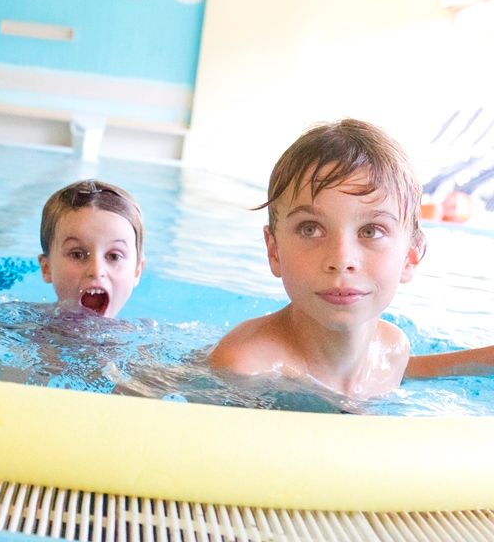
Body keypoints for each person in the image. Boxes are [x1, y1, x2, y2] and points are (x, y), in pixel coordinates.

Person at [207, 118, 494, 399]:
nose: (342, 259)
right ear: (274, 251)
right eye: (310, 229)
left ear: (410, 257)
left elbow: (403, 368)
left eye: (371, 231)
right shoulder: (245, 367)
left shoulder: (392, 346)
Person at [38, 179, 145, 319]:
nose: (96, 270)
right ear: (47, 268)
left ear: (137, 271)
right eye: (77, 254)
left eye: (114, 256)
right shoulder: (18, 326)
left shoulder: (146, 338)